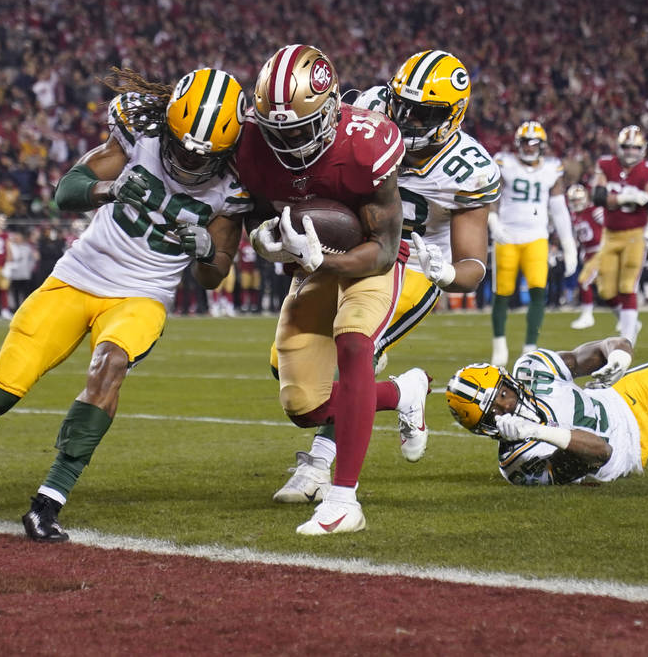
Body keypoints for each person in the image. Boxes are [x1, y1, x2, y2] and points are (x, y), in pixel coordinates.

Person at [0, 67, 250, 541]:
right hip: (77, 278)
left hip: (142, 295)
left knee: (111, 363)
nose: (188, 159)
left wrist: (205, 247)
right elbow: (66, 191)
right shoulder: (140, 137)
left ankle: (49, 500)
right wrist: (109, 189)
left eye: (202, 154)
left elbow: (212, 275)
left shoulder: (234, 184)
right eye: (181, 145)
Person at [269, 49, 499, 505]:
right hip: (351, 249)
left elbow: (474, 267)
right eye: (403, 104)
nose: (407, 118)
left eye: (423, 113)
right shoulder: (366, 110)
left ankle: (319, 464)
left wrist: (448, 272)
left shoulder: (468, 169)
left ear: (452, 116)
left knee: (354, 346)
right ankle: (403, 392)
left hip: (409, 265)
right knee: (286, 370)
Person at [237, 44, 408, 535]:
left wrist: (323, 259)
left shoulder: (369, 143)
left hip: (366, 264)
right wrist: (261, 236)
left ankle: (343, 500)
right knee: (304, 406)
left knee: (354, 342)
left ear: (332, 107)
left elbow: (382, 247)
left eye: (301, 129)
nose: (289, 144)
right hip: (308, 269)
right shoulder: (251, 142)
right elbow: (254, 207)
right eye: (279, 132)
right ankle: (403, 391)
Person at [444, 296, 648, 486]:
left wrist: (619, 356)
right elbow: (600, 452)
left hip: (625, 394)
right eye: (492, 413)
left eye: (502, 396)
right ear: (481, 427)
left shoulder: (534, 369)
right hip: (634, 449)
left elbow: (603, 347)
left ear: (508, 381)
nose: (505, 410)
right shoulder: (517, 463)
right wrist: (538, 432)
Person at [489, 121, 577, 365]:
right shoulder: (504, 163)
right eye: (526, 143)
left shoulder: (552, 168)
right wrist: (493, 221)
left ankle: (530, 346)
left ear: (543, 145)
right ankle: (499, 345)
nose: (530, 148)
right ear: (518, 144)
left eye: (534, 143)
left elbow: (559, 210)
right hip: (507, 234)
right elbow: (491, 195)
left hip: (537, 236)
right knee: (502, 293)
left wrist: (569, 244)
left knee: (539, 289)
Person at [590, 125, 648, 347]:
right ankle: (628, 321)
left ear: (643, 149)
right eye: (626, 147)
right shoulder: (606, 164)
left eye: (635, 147)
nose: (630, 151)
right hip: (610, 234)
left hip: (634, 234)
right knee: (605, 289)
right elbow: (599, 197)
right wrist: (622, 198)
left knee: (627, 285)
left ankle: (627, 340)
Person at [567, 183, 604, 329]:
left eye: (577, 200)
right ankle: (627, 319)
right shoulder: (575, 215)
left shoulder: (595, 211)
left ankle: (587, 316)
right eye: (573, 200)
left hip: (601, 251)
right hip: (589, 252)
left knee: (584, 281)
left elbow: (611, 226)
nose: (575, 203)